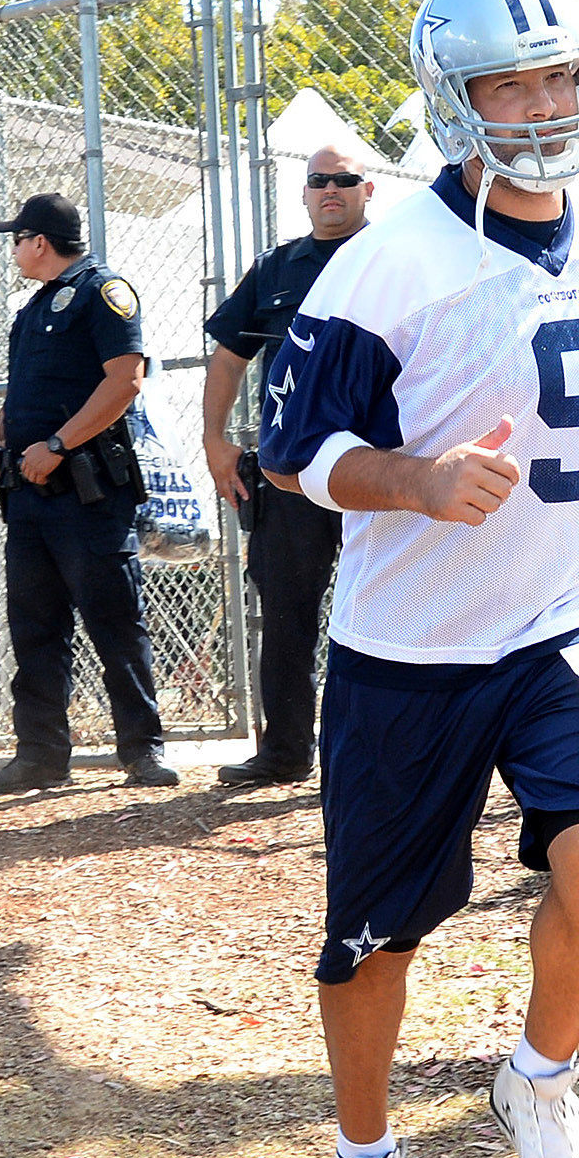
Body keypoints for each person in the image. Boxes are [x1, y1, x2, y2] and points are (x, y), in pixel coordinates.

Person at [257, 0, 579, 1158]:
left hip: (573, 616)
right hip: (411, 648)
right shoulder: (387, 262)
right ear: (453, 98)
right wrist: (420, 482)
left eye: (561, 74)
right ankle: (367, 1155)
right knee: (377, 938)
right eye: (513, 80)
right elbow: (292, 450)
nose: (547, 103)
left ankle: (540, 1081)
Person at [0, 193, 177, 792]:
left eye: (18, 239)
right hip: (30, 493)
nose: (13, 250)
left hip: (87, 491)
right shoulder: (34, 309)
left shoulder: (102, 292)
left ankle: (143, 749)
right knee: (35, 626)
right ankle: (39, 753)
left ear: (39, 241)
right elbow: (32, 389)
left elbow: (126, 380)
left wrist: (58, 445)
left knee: (114, 620)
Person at [200, 145, 374, 786]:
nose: (331, 190)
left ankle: (372, 755)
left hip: (382, 473)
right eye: (318, 182)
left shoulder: (398, 259)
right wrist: (215, 440)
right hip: (292, 471)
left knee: (385, 609)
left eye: (343, 180)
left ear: (367, 189)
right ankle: (284, 752)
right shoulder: (276, 268)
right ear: (303, 193)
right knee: (288, 612)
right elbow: (228, 357)